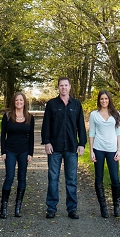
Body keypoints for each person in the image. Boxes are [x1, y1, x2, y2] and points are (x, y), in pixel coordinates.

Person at [41, 77, 87, 219]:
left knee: (71, 179)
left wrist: (82, 143)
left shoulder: (77, 105)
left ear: (70, 87)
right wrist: (47, 142)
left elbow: (81, 126)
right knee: (53, 178)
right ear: (58, 87)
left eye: (66, 85)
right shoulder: (51, 104)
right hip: (55, 148)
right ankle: (51, 208)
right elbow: (46, 125)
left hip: (72, 147)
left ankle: (72, 209)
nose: (64, 88)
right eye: (61, 85)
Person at [0, 92, 35, 218]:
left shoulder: (30, 117)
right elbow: (3, 135)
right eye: (16, 100)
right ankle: (3, 207)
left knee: (22, 177)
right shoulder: (8, 116)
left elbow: (31, 138)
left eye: (21, 100)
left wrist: (30, 153)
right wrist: (3, 152)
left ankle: (17, 207)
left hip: (24, 151)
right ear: (13, 102)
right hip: (10, 150)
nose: (19, 102)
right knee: (9, 176)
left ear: (24, 102)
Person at [89, 89, 120, 217]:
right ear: (99, 100)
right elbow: (91, 133)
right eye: (102, 99)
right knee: (99, 178)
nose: (104, 101)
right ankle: (103, 207)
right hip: (98, 149)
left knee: (115, 178)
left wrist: (119, 149)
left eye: (106, 99)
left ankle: (116, 206)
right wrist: (91, 151)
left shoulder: (116, 114)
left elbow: (118, 133)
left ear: (109, 100)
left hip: (112, 150)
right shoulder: (94, 115)